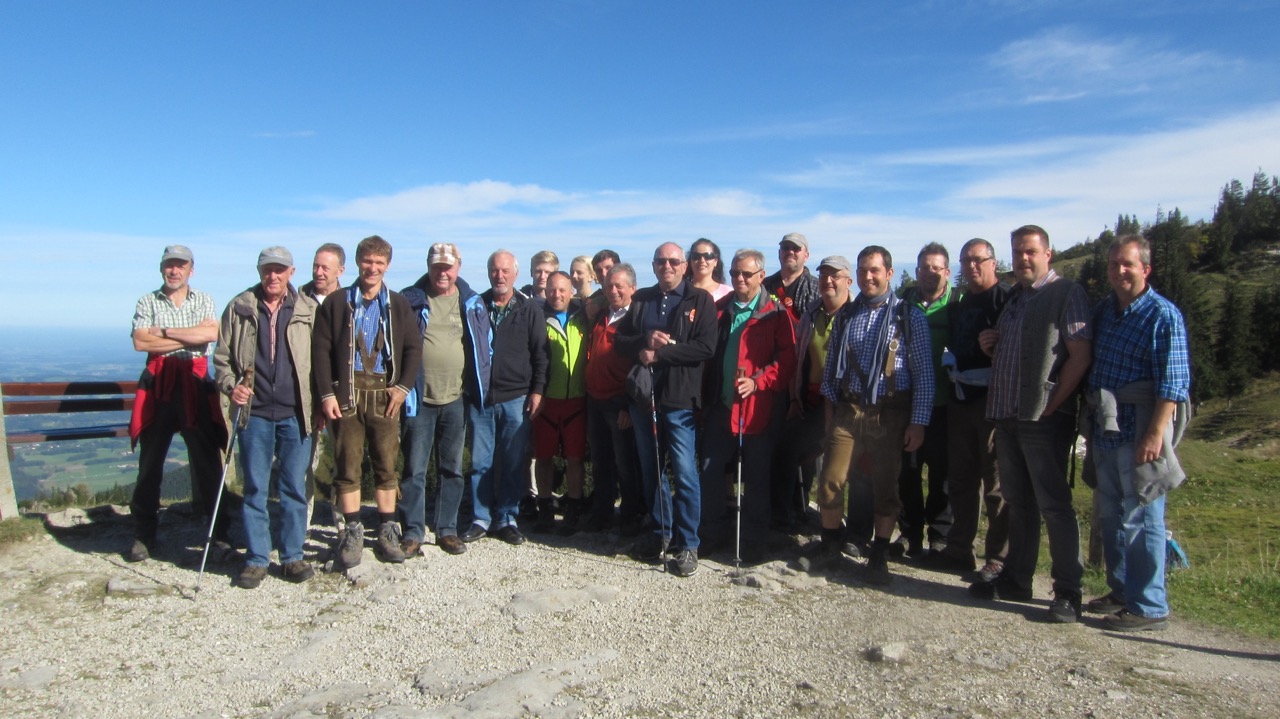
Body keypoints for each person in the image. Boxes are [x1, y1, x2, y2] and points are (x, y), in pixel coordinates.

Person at [968, 225, 1092, 624]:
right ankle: (1019, 578)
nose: (1023, 258)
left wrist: (1055, 404)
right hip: (1006, 415)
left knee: (1055, 505)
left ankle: (1068, 591)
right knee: (1020, 503)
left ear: (1047, 254)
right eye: (1018, 252)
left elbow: (1079, 353)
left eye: (1031, 252)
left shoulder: (1066, 293)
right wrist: (992, 344)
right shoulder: (1016, 298)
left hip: (1042, 417)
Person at [1084, 235, 1190, 632]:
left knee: (1143, 515)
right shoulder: (1105, 311)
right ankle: (1122, 590)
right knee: (1111, 515)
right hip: (1107, 427)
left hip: (1141, 426)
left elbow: (1174, 385)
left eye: (1127, 264)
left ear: (1146, 268)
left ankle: (1150, 605)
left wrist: (1154, 435)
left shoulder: (1163, 315)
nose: (1119, 271)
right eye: (1113, 264)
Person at [814, 246, 933, 585]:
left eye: (875, 271)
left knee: (885, 486)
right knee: (830, 480)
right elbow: (831, 369)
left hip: (890, 412)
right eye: (863, 270)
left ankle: (878, 554)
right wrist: (831, 414)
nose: (868, 276)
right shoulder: (847, 316)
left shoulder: (909, 317)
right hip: (848, 408)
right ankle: (830, 547)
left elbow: (924, 374)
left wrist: (918, 422)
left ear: (889, 274)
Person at [313, 235, 421, 568]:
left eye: (379, 263)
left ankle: (388, 529)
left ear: (387, 266)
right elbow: (321, 349)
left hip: (384, 394)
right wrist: (327, 394)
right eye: (367, 262)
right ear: (358, 263)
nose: (372, 268)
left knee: (386, 463)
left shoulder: (398, 304)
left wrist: (402, 387)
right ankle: (352, 531)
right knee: (347, 464)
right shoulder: (337, 302)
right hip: (347, 393)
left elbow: (413, 349)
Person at [214, 246, 318, 587]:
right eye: (267, 269)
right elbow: (222, 359)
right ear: (259, 271)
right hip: (254, 413)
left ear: (291, 272)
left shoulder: (307, 309)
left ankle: (292, 557)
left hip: (295, 412)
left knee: (293, 487)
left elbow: (321, 360)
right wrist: (232, 387)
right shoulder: (240, 307)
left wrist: (319, 405)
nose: (273, 276)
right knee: (255, 487)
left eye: (280, 269)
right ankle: (257, 558)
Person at [615, 242, 717, 577]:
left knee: (685, 473)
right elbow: (620, 342)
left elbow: (705, 348)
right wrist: (644, 342)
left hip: (679, 400)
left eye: (674, 261)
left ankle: (688, 544)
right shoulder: (642, 298)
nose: (667, 266)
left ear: (685, 266)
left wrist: (660, 355)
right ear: (654, 265)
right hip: (645, 399)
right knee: (653, 471)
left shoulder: (699, 300)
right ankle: (662, 535)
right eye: (661, 261)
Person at [126, 245, 228, 563]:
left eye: (180, 266)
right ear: (162, 269)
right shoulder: (147, 300)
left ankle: (218, 533)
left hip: (194, 386)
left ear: (190, 270)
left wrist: (166, 333)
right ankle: (143, 532)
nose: (174, 271)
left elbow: (211, 334)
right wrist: (189, 337)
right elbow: (140, 341)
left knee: (208, 463)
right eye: (170, 265)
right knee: (150, 463)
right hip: (159, 386)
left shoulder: (204, 300)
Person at [698, 249, 795, 563]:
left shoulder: (776, 313)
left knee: (755, 477)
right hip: (721, 405)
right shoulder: (720, 309)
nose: (739, 279)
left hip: (757, 410)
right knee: (710, 472)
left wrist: (759, 380)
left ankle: (753, 542)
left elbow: (787, 360)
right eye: (735, 273)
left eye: (747, 274)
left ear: (761, 276)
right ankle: (713, 533)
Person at [398, 242, 489, 558]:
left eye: (448, 266)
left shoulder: (472, 302)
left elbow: (483, 347)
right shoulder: (409, 300)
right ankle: (412, 531)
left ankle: (446, 529)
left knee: (452, 469)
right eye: (437, 266)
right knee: (414, 470)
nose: (442, 272)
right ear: (428, 265)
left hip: (455, 398)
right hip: (418, 398)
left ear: (458, 267)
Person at [928, 239, 1011, 580]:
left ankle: (998, 558)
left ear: (993, 262)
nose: (973, 266)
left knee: (995, 485)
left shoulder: (1006, 299)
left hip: (993, 401)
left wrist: (1000, 345)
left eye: (979, 260)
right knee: (961, 480)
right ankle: (959, 549)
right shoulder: (959, 306)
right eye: (967, 261)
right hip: (960, 400)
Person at [460, 249, 548, 546]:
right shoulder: (476, 306)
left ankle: (506, 517)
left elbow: (541, 354)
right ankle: (480, 517)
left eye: (505, 271)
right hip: (481, 397)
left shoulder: (529, 308)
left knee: (512, 460)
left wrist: (538, 390)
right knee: (480, 462)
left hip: (516, 396)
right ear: (488, 273)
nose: (500, 275)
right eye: (495, 270)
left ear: (515, 274)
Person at [771, 256, 854, 533]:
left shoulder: (857, 314)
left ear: (848, 281)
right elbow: (799, 358)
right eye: (824, 276)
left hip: (848, 404)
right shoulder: (810, 313)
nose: (828, 281)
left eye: (835, 276)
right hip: (812, 401)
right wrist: (795, 398)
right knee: (788, 450)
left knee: (848, 468)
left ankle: (851, 529)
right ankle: (785, 517)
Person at [894, 243, 958, 557]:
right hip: (909, 400)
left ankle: (939, 536)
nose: (929, 272)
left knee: (941, 473)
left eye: (936, 267)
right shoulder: (904, 303)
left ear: (947, 272)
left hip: (947, 403)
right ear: (917, 271)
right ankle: (909, 534)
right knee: (907, 472)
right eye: (924, 267)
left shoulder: (957, 304)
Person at [583, 263, 644, 534]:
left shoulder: (636, 320)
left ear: (633, 288)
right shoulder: (602, 315)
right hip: (595, 399)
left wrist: (630, 406)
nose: (614, 290)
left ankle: (631, 516)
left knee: (625, 464)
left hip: (620, 402)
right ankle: (603, 513)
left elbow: (639, 367)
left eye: (619, 285)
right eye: (609, 286)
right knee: (600, 460)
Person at [532, 272, 590, 533]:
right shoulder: (537, 318)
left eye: (562, 290)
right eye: (552, 290)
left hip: (576, 401)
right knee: (543, 457)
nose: (557, 295)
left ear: (571, 292)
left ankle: (573, 508)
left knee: (574, 459)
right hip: (546, 401)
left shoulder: (583, 317)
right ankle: (544, 506)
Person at [763, 232, 819, 320]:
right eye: (785, 248)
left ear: (806, 256)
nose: (790, 252)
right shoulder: (764, 286)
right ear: (779, 253)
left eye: (796, 248)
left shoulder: (818, 288)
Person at [584, 249, 621, 326]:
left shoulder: (634, 299)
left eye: (608, 268)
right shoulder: (590, 302)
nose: (604, 274)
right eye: (599, 270)